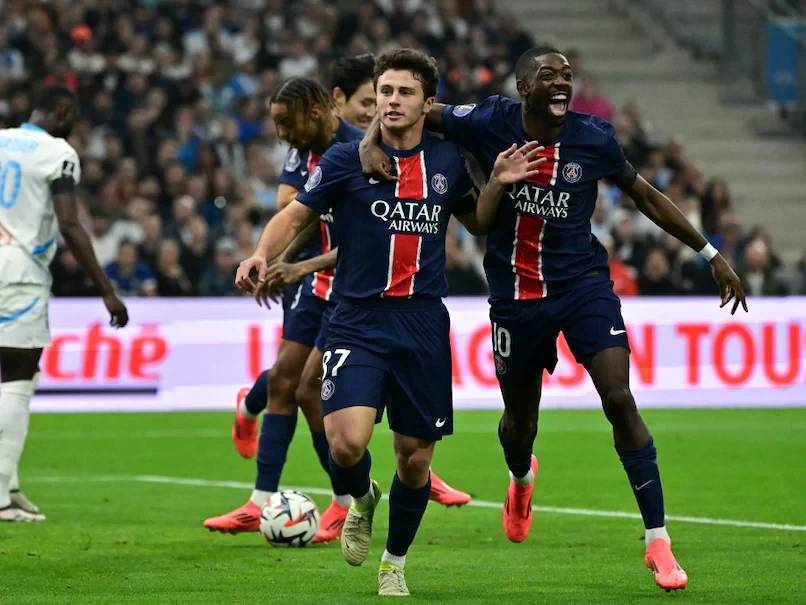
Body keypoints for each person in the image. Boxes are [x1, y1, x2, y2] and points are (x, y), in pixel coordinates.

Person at [359, 46, 748, 592]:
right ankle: (521, 476)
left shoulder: (594, 138)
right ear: (524, 88)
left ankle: (658, 539)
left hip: (583, 287)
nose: (561, 82)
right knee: (520, 425)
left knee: (619, 398)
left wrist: (709, 253)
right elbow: (415, 110)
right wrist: (368, 142)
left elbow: (644, 195)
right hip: (517, 299)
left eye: (566, 75)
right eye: (548, 75)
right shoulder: (489, 121)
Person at [236, 47, 545, 598]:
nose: (393, 100)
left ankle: (394, 563)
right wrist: (261, 252)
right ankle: (361, 498)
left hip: (422, 323)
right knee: (345, 445)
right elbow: (296, 214)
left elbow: (477, 222)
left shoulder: (446, 160)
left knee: (415, 459)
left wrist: (498, 181)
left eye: (405, 92)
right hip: (356, 318)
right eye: (385, 91)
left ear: (428, 103)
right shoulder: (344, 159)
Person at [205, 57, 472, 543]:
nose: (381, 106)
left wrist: (298, 263)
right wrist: (270, 256)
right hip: (329, 290)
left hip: (360, 289)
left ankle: (353, 496)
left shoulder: (374, 148)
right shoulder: (320, 152)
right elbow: (294, 211)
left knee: (307, 389)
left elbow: (371, 237)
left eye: (392, 95)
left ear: (328, 105)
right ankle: (298, 493)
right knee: (293, 384)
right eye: (377, 96)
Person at [0, 85, 128, 522]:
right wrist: (106, 288)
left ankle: (10, 483)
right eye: (73, 118)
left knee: (19, 375)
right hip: (19, 272)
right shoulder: (58, 152)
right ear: (62, 112)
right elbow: (70, 225)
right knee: (17, 376)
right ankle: (0, 497)